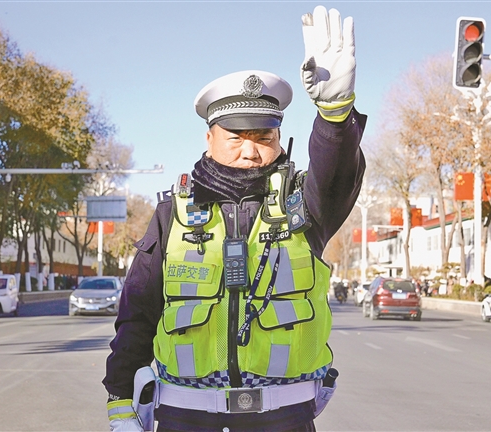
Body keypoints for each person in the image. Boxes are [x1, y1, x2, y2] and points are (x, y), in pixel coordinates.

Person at [102, 6, 365, 432]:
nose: (250, 150)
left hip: (284, 417)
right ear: (209, 139)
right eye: (236, 137)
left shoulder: (305, 204)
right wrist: (119, 400)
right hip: (184, 416)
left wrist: (335, 114)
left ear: (279, 139)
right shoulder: (173, 213)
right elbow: (138, 311)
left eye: (264, 137)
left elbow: (338, 173)